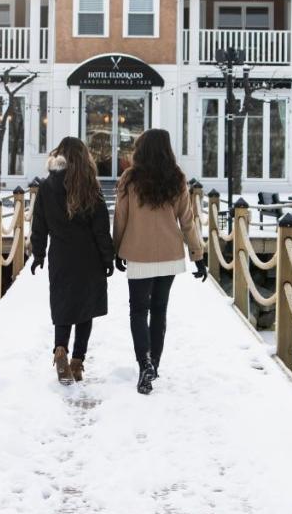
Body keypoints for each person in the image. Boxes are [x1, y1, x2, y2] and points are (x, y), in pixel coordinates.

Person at [112, 128, 205, 395]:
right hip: (169, 253)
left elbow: (121, 218)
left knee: (138, 310)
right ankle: (155, 363)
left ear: (141, 149)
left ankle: (145, 364)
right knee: (159, 311)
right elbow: (187, 221)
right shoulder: (176, 178)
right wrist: (197, 255)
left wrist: (115, 250)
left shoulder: (130, 178)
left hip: (138, 252)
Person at [30, 136, 113, 385]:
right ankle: (77, 362)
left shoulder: (46, 186)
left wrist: (38, 254)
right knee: (85, 311)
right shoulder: (90, 185)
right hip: (88, 258)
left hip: (60, 256)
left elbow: (39, 224)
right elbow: (101, 228)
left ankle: (60, 350)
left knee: (64, 307)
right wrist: (108, 258)